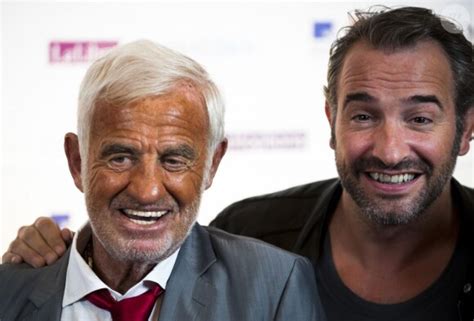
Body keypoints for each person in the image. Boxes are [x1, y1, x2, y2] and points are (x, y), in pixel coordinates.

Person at [3, 6, 474, 321]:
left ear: (466, 128)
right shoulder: (252, 230)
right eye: (364, 114)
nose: (390, 149)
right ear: (332, 120)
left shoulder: (273, 280)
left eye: (420, 118)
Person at [0, 40, 325, 321]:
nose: (147, 190)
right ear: (77, 162)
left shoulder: (275, 290)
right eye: (120, 157)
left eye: (174, 160)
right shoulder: (8, 292)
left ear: (212, 164)